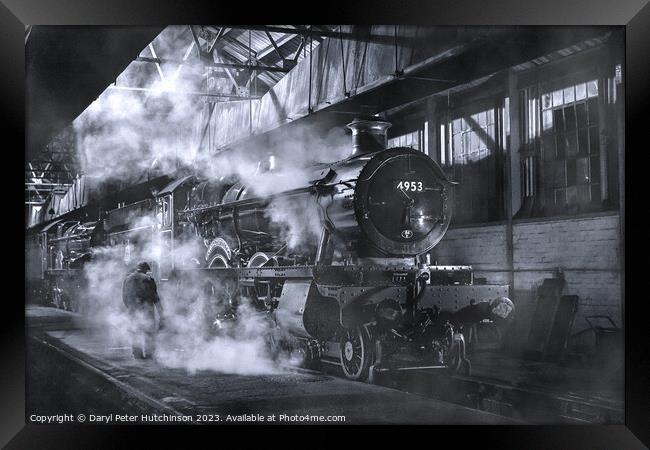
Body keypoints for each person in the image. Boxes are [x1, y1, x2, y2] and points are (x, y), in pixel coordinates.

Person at [122, 261, 164, 359]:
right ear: (146, 270)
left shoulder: (127, 279)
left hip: (132, 310)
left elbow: (124, 296)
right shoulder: (148, 279)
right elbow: (155, 297)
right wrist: (161, 312)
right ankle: (149, 354)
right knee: (149, 332)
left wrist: (130, 308)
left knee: (135, 331)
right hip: (147, 310)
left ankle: (137, 354)